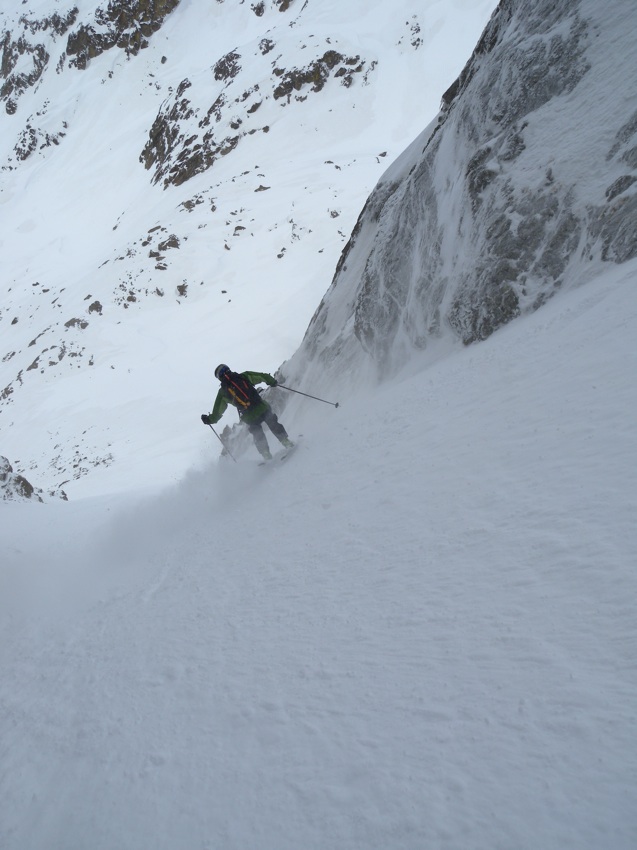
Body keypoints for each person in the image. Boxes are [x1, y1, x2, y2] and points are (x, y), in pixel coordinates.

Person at [201, 364, 294, 461]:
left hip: (249, 416)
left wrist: (209, 419)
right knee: (272, 423)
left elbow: (217, 412)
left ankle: (266, 454)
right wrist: (272, 381)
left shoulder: (223, 392)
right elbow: (261, 376)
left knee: (257, 434)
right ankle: (286, 442)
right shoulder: (243, 376)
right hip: (261, 407)